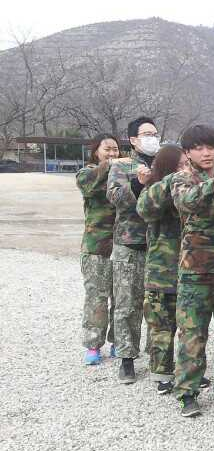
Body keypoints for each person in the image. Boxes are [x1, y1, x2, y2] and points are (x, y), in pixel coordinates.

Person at [170, 124, 214, 418]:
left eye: (211, 147)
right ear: (188, 152)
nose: (207, 153)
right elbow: (186, 201)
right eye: (199, 148)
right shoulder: (182, 178)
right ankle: (187, 392)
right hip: (196, 270)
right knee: (193, 333)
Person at [107, 117, 161, 383]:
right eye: (147, 134)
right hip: (130, 244)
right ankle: (126, 359)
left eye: (155, 133)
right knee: (127, 304)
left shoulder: (164, 165)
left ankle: (159, 357)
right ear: (133, 140)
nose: (153, 138)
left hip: (160, 246)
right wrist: (138, 184)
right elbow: (115, 197)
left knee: (158, 305)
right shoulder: (122, 165)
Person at [136, 144, 188, 394]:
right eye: (181, 165)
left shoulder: (190, 189)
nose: (185, 170)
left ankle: (186, 371)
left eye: (187, 165)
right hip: (161, 271)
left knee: (188, 328)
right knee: (161, 326)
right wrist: (171, 180)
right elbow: (145, 209)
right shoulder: (156, 190)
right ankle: (162, 373)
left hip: (187, 270)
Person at [77, 133, 121, 365]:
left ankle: (118, 342)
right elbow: (88, 185)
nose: (113, 153)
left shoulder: (123, 173)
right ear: (96, 151)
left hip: (122, 245)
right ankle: (93, 344)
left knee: (122, 298)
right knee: (96, 297)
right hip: (96, 246)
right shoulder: (87, 172)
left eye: (115, 149)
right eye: (107, 149)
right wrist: (109, 165)